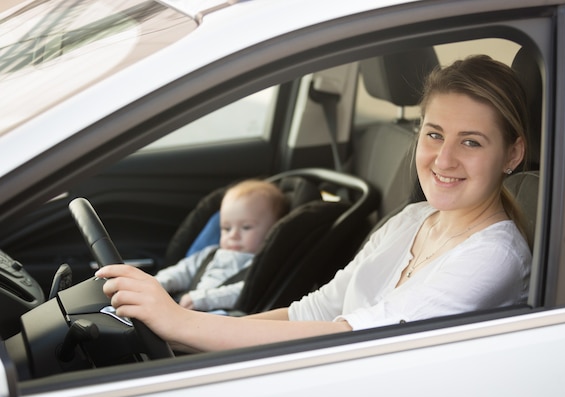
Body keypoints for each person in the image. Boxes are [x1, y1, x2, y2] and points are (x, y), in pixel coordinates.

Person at [98, 54, 532, 353]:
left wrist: (183, 322)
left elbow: (352, 337)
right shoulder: (415, 218)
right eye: (434, 133)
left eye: (471, 142)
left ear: (512, 154)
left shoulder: (493, 255)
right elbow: (319, 309)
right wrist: (181, 336)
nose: (444, 159)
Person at [156, 179, 288, 311]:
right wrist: (158, 283)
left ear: (273, 230)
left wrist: (203, 299)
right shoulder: (209, 254)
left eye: (246, 227)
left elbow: (244, 291)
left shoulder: (262, 265)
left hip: (224, 316)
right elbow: (181, 271)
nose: (233, 235)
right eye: (226, 228)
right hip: (189, 309)